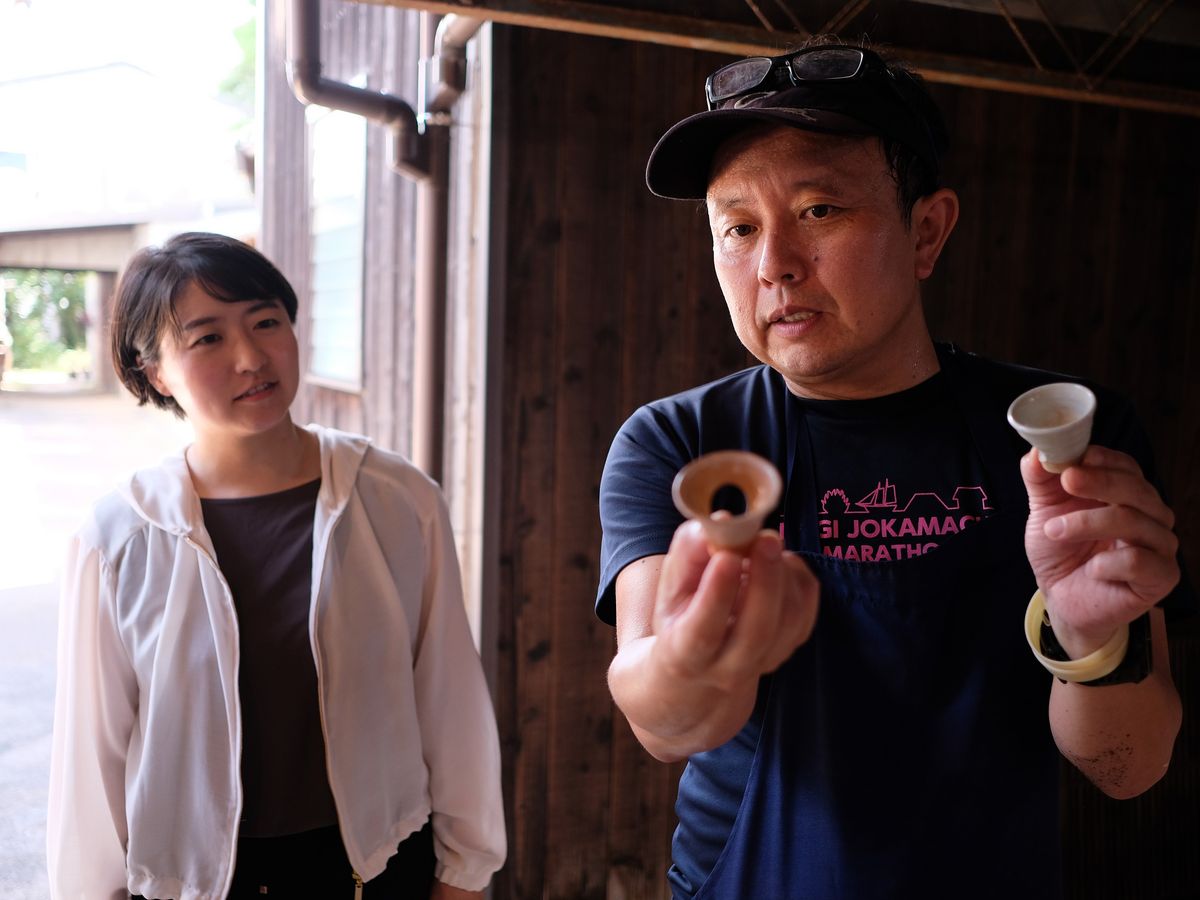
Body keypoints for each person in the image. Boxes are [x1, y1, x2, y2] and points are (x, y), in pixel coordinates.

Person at [596, 38, 1192, 899]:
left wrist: (1089, 638)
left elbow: (1128, 768)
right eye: (739, 227)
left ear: (927, 230)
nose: (773, 264)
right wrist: (693, 660)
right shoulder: (681, 442)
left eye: (819, 210)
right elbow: (665, 729)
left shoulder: (1062, 437)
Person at [47, 232, 505, 899]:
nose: (252, 358)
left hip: (377, 867)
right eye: (208, 338)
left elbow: (449, 696)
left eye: (266, 322)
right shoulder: (118, 536)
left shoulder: (396, 499)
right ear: (155, 373)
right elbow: (92, 757)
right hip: (191, 881)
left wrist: (464, 873)